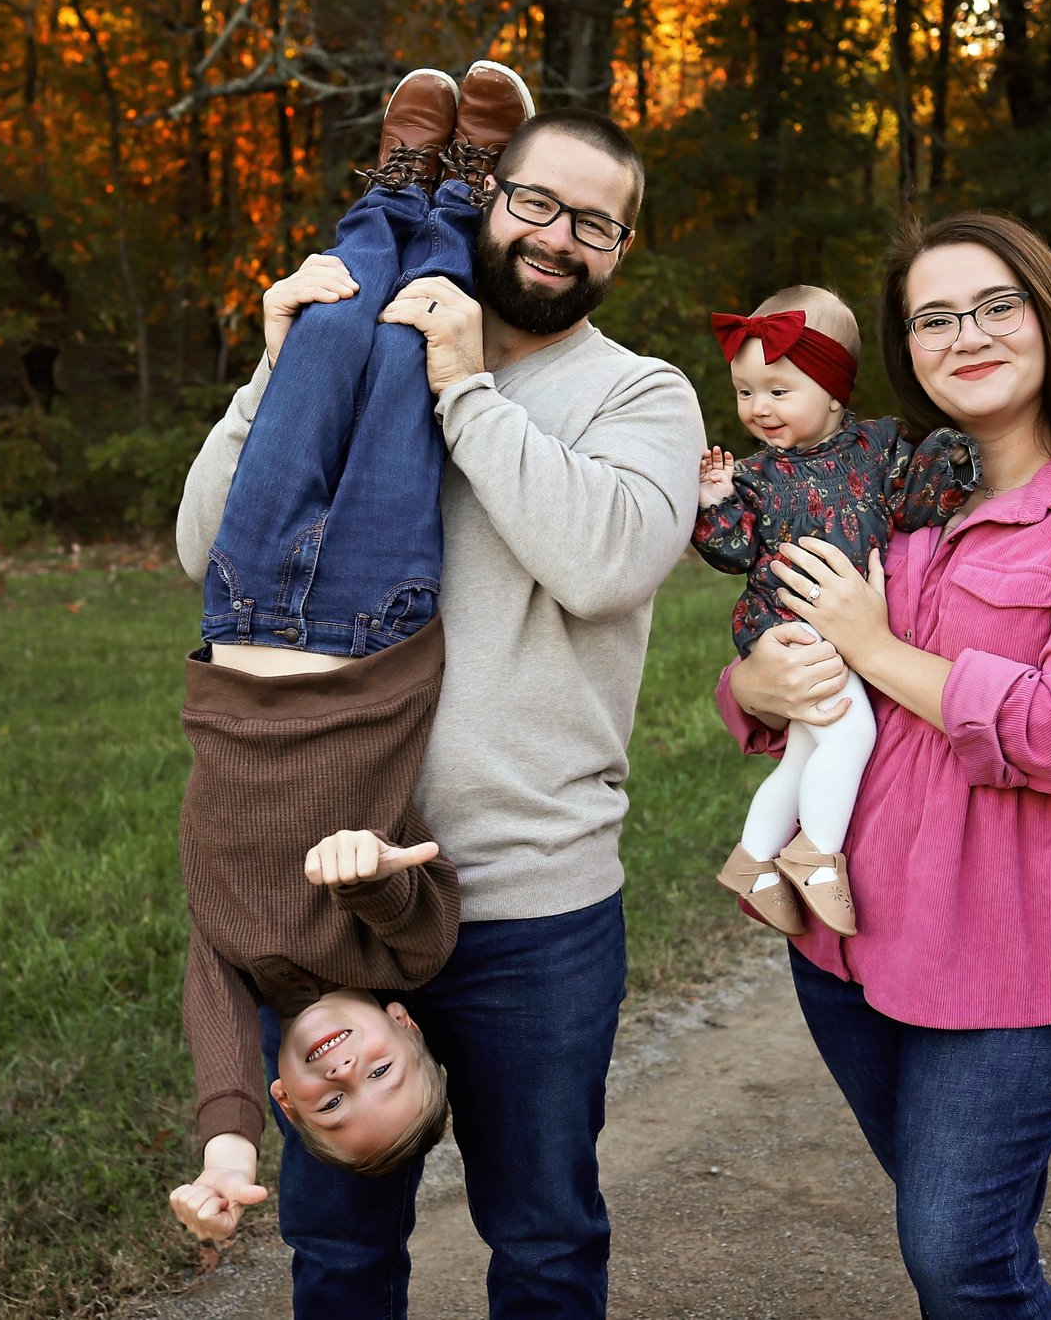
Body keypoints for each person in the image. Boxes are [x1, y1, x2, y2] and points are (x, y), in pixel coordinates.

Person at [176, 80, 705, 1317]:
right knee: (340, 1246)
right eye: (535, 200)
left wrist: (464, 388)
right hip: (327, 924)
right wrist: (274, 364)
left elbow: (607, 560)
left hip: (530, 904)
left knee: (542, 1235)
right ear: (489, 198)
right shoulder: (365, 349)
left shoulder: (642, 395)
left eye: (597, 222)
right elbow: (208, 546)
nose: (558, 236)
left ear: (622, 248)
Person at [718, 212, 1051, 1319]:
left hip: (1010, 954)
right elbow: (777, 673)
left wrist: (879, 647)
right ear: (903, 347)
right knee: (956, 1229)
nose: (966, 334)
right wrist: (755, 686)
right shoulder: (888, 504)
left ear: (1050, 319)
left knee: (958, 1254)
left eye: (995, 305)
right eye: (933, 316)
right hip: (845, 943)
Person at [166, 64, 536, 1240]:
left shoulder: (234, 958)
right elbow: (422, 901)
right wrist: (365, 865)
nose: (347, 1070)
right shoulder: (406, 960)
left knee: (327, 329)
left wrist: (228, 1154)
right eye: (382, 1073)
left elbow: (216, 1050)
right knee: (401, 350)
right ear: (406, 1033)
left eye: (327, 1102)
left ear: (288, 1096)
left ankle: (392, 189)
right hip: (376, 618)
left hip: (243, 601)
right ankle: (462, 196)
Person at [691, 285, 977, 936]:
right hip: (788, 623)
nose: (757, 408)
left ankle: (754, 858)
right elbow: (734, 551)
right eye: (744, 391)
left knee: (802, 754)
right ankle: (815, 853)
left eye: (777, 390)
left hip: (838, 624)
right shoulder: (758, 476)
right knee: (851, 732)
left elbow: (914, 502)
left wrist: (951, 460)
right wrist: (714, 502)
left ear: (833, 389)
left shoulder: (877, 448)